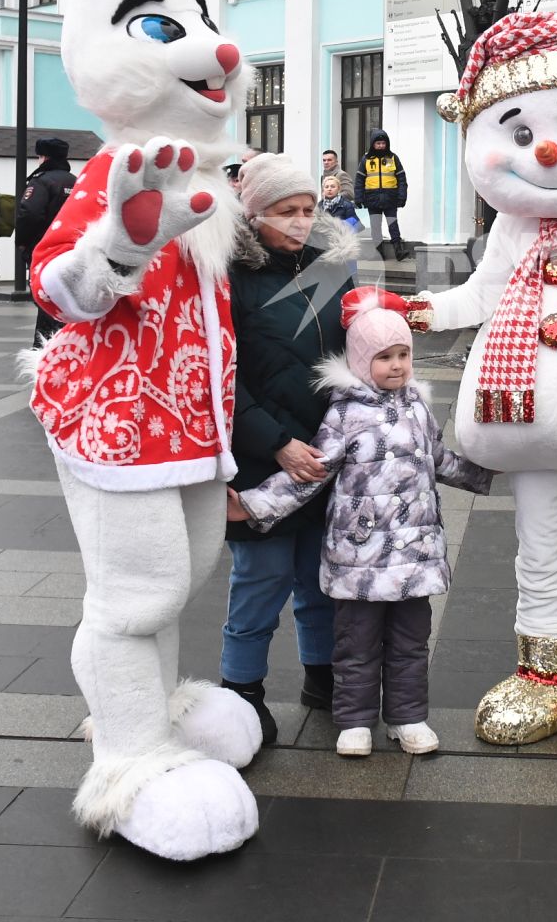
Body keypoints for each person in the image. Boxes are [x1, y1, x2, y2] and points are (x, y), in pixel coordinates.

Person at [306, 287, 491, 756]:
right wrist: (255, 505)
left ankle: (408, 718)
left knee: (410, 642)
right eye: (384, 356)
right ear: (361, 360)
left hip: (413, 555)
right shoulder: (344, 415)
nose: (396, 365)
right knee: (356, 642)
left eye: (403, 354)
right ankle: (354, 721)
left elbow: (440, 460)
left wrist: (490, 470)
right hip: (359, 557)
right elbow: (311, 472)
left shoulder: (417, 409)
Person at [217, 153, 359, 745]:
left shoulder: (332, 268)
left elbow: (357, 351)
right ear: (253, 215)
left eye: (307, 208)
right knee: (262, 577)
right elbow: (222, 374)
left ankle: (321, 678)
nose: (301, 221)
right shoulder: (225, 275)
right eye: (285, 211)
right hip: (262, 454)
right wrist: (275, 444)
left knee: (320, 574)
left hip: (327, 450)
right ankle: (242, 692)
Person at [15, 137, 77, 342]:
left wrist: (23, 243)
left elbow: (28, 214)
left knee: (46, 301)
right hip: (73, 253)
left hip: (46, 252)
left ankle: (44, 350)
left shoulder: (41, 182)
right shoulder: (75, 181)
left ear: (44, 157)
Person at [356, 129, 410, 259]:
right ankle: (379, 254)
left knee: (393, 225)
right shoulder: (366, 159)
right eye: (378, 143)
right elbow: (359, 180)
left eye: (383, 143)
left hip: (390, 198)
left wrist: (402, 196)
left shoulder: (392, 158)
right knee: (375, 227)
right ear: (373, 144)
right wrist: (358, 197)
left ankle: (399, 251)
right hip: (372, 199)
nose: (380, 145)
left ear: (387, 144)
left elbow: (402, 179)